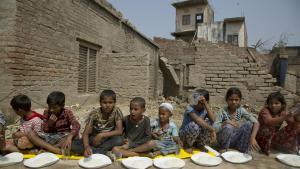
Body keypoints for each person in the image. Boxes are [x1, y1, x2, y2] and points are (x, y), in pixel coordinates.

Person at [71, 90, 124, 156]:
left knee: (119, 140)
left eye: (110, 102)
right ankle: (105, 153)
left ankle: (95, 151)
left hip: (109, 138)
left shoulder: (116, 111)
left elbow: (119, 131)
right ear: (100, 103)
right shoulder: (94, 114)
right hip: (94, 139)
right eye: (104, 102)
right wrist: (87, 147)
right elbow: (86, 133)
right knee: (73, 145)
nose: (107, 105)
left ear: (114, 103)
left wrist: (101, 135)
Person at [214, 87, 260, 153]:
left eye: (236, 100)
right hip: (223, 139)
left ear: (240, 100)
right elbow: (214, 127)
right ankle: (223, 148)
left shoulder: (241, 110)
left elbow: (256, 122)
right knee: (228, 126)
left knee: (249, 124)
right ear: (227, 100)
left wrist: (252, 137)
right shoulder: (222, 111)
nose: (233, 102)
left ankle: (242, 148)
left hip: (234, 139)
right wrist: (226, 122)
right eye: (231, 99)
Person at [179, 89, 216, 153]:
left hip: (196, 134)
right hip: (185, 134)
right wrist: (212, 130)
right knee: (194, 125)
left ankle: (200, 144)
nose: (198, 104)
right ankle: (187, 145)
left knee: (209, 123)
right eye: (197, 101)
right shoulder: (190, 108)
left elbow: (213, 119)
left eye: (201, 102)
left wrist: (206, 104)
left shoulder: (205, 109)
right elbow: (198, 120)